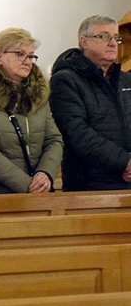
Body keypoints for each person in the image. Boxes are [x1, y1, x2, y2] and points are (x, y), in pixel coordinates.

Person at [0, 28, 62, 194]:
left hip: (36, 192)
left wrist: (45, 174)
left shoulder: (37, 93)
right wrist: (27, 185)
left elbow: (54, 139)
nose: (28, 61)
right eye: (20, 54)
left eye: (30, 55)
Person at [50, 15, 131, 191]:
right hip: (90, 184)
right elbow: (77, 132)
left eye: (116, 37)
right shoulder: (66, 80)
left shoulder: (126, 80)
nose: (112, 43)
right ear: (84, 42)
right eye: (103, 36)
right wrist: (124, 162)